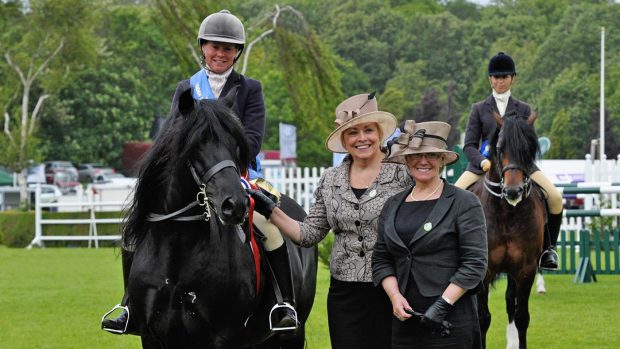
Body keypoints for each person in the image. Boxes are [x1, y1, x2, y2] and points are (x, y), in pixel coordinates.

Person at [102, 9, 297, 333]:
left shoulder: (250, 89)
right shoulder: (186, 89)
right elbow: (167, 139)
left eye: (227, 48)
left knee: (269, 226)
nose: (220, 53)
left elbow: (252, 139)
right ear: (203, 47)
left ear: (237, 52)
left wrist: (224, 155)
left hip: (237, 175)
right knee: (135, 229)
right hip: (191, 178)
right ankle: (129, 306)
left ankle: (282, 302)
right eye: (214, 46)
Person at [248, 93, 413, 349]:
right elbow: (309, 234)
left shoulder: (403, 174)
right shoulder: (330, 179)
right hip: (345, 295)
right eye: (352, 132)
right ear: (343, 140)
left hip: (396, 289)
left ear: (380, 133)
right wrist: (271, 210)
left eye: (368, 130)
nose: (361, 138)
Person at [372, 120, 488, 349]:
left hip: (451, 319)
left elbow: (475, 263)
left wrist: (442, 305)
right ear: (406, 159)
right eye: (416, 155)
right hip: (404, 319)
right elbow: (381, 258)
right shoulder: (393, 204)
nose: (423, 161)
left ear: (442, 160)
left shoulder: (464, 202)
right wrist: (395, 297)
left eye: (432, 155)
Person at [454, 52, 563, 270]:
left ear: (513, 78)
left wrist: (522, 162)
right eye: (495, 77)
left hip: (520, 166)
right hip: (483, 166)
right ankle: (453, 249)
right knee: (453, 196)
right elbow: (469, 145)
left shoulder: (523, 110)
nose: (499, 81)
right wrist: (484, 163)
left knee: (555, 197)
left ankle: (548, 249)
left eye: (503, 77)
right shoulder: (478, 109)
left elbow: (530, 144)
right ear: (489, 80)